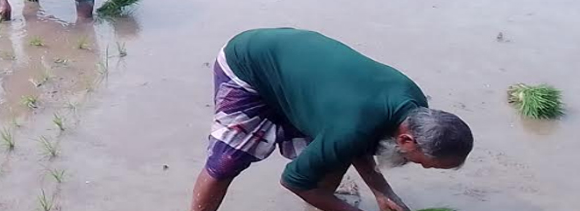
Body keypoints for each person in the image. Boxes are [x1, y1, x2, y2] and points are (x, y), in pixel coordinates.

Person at [191, 28, 474, 211]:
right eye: (423, 161)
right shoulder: (352, 126)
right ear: (407, 139)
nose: (421, 167)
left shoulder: (414, 107)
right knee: (228, 159)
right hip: (250, 64)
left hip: (304, 79)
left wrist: (382, 192)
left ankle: (323, 203)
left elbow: (359, 142)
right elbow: (293, 181)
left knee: (331, 161)